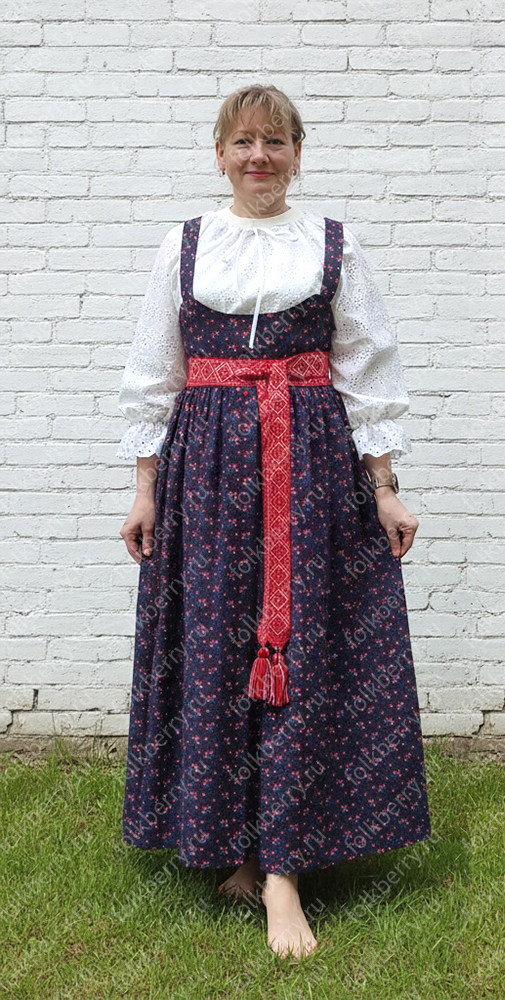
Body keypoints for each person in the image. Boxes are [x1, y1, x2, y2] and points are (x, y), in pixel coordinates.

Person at [116, 84, 432, 959]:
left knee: (301, 651)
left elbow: (368, 369)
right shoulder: (185, 246)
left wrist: (384, 486)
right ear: (220, 153)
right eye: (243, 142)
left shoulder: (333, 244)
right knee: (220, 647)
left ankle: (286, 869)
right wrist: (145, 489)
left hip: (313, 468)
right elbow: (155, 374)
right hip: (208, 473)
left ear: (298, 151)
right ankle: (234, 845)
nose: (259, 156)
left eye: (275, 142)